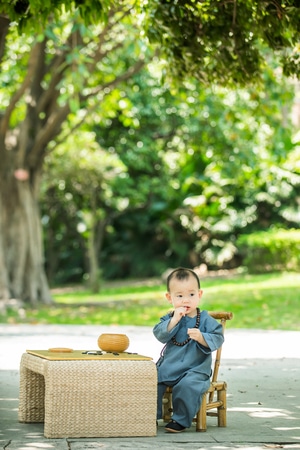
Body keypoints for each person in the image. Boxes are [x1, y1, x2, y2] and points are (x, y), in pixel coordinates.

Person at [153, 267, 224, 433]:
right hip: (170, 366)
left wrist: (202, 337)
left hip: (195, 369)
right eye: (179, 296)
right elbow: (159, 333)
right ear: (169, 298)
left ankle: (180, 420)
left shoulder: (205, 320)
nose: (186, 300)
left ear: (199, 295)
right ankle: (150, 417)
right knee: (150, 382)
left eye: (191, 295)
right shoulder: (170, 318)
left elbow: (218, 337)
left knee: (188, 385)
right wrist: (174, 320)